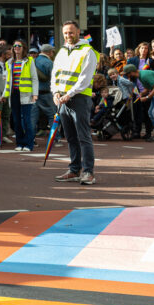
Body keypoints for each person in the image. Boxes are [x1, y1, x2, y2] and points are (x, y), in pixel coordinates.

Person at [53, 20, 99, 185]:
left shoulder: (88, 51)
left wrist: (69, 94)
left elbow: (85, 79)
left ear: (78, 32)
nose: (68, 36)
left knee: (83, 137)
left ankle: (88, 172)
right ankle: (74, 170)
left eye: (71, 32)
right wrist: (55, 92)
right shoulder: (62, 51)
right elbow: (56, 74)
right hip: (63, 99)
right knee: (71, 137)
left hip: (79, 98)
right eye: (65, 33)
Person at [3, 41, 37, 152]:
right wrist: (4, 95)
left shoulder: (29, 61)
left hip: (26, 94)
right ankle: (19, 143)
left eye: (19, 46)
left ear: (23, 48)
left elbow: (34, 78)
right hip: (14, 94)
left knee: (27, 120)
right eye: (15, 46)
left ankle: (29, 144)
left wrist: (35, 94)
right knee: (16, 120)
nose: (17, 47)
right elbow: (7, 81)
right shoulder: (9, 62)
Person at [31, 44, 56, 136]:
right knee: (52, 116)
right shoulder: (49, 63)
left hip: (34, 93)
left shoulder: (33, 61)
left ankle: (31, 139)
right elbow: (54, 79)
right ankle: (55, 138)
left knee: (33, 117)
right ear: (50, 52)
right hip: (46, 93)